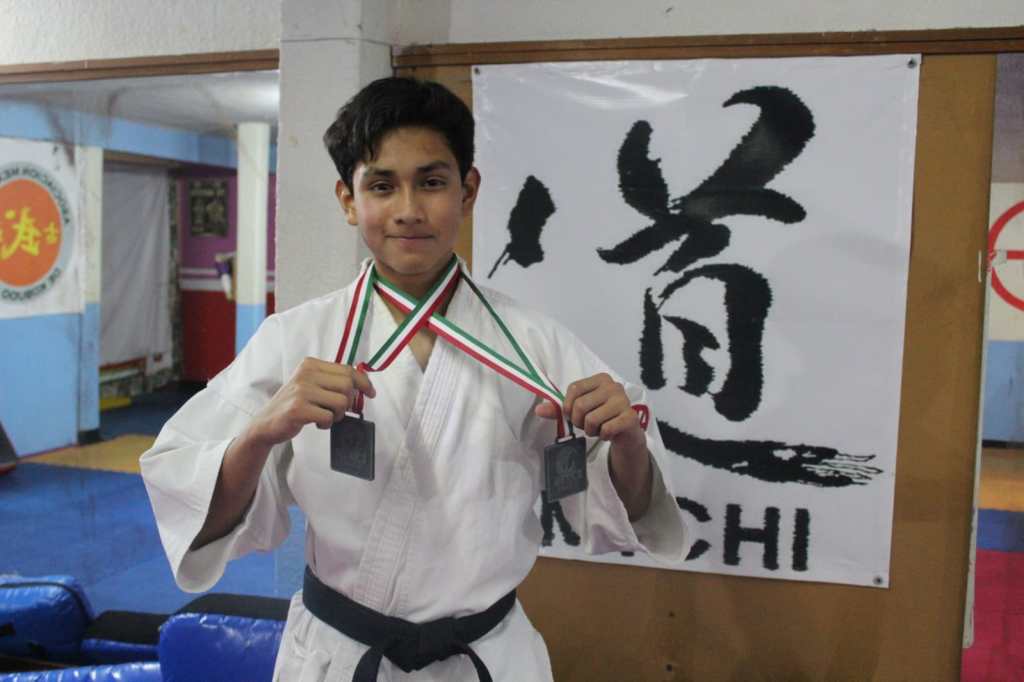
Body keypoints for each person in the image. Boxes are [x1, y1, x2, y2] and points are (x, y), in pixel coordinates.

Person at [140, 77, 686, 682]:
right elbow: (194, 503)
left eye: (431, 182)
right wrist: (259, 434)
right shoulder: (295, 340)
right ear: (349, 200)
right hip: (339, 657)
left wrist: (628, 443)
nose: (408, 209)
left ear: (467, 191)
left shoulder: (536, 346)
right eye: (381, 185)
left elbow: (628, 513)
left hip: (486, 658)